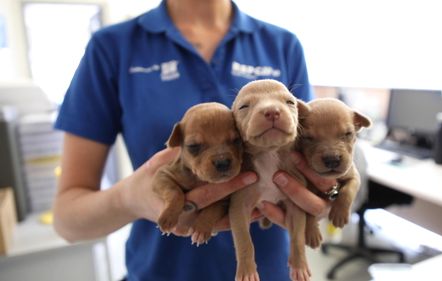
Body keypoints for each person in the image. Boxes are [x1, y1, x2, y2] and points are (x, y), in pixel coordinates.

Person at [53, 0, 338, 280]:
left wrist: (331, 194)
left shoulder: (282, 44)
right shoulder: (113, 46)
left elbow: (312, 153)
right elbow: (67, 221)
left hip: (270, 272)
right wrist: (129, 199)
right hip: (162, 271)